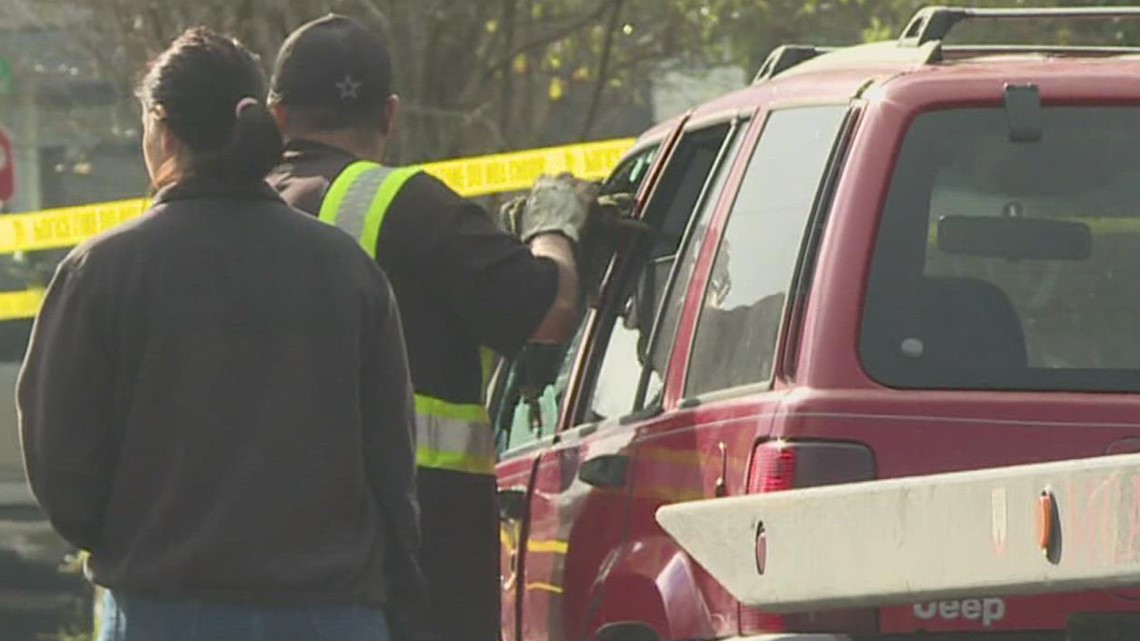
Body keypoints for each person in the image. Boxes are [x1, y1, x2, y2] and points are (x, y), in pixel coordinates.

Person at [18, 27, 424, 641]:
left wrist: (133, 540)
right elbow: (391, 463)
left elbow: (61, 462)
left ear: (161, 125)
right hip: (332, 610)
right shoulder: (347, 271)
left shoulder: (100, 273)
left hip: (164, 607)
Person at [266, 14, 592, 641]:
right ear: (389, 115)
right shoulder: (412, 206)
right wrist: (553, 226)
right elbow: (547, 312)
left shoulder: (225, 216)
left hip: (261, 553)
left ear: (276, 117)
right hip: (418, 548)